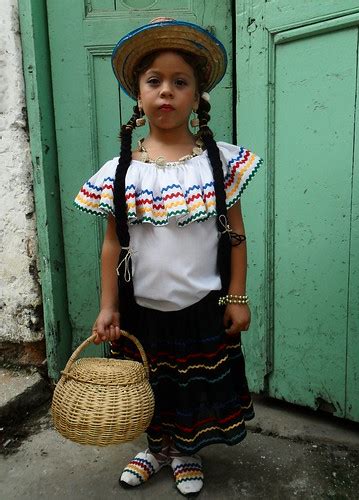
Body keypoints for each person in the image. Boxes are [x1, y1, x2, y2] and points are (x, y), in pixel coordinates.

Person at [74, 18, 263, 497]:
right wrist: (108, 305)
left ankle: (186, 449)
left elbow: (235, 233)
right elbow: (112, 245)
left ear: (198, 97)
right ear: (137, 95)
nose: (166, 92)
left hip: (202, 305)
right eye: (154, 81)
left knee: (190, 387)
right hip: (142, 310)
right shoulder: (120, 171)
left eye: (180, 82)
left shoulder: (219, 163)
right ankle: (156, 448)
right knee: (149, 383)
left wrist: (237, 296)